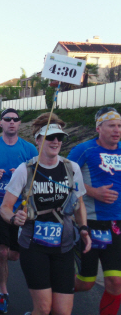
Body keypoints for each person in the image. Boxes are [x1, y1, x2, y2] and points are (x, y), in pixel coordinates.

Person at [1, 113, 91, 315]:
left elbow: (79, 204)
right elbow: (5, 207)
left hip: (64, 246)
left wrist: (83, 228)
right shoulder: (26, 170)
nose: (56, 141)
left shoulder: (71, 168)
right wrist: (15, 217)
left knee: (62, 311)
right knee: (43, 308)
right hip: (34, 247)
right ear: (38, 140)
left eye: (60, 137)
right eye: (50, 137)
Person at [0, 108, 38, 313]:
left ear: (20, 124)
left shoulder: (29, 149)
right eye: (7, 119)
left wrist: (22, 175)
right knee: (3, 251)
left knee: (13, 255)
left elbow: (40, 176)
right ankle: (3, 294)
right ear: (1, 123)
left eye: (15, 119)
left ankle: (1, 252)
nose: (12, 122)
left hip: (22, 208)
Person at [69, 107, 121, 315]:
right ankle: (48, 296)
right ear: (99, 128)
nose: (117, 130)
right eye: (111, 126)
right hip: (88, 223)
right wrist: (92, 192)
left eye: (119, 126)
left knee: (116, 282)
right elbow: (65, 178)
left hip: (116, 225)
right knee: (86, 282)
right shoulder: (84, 150)